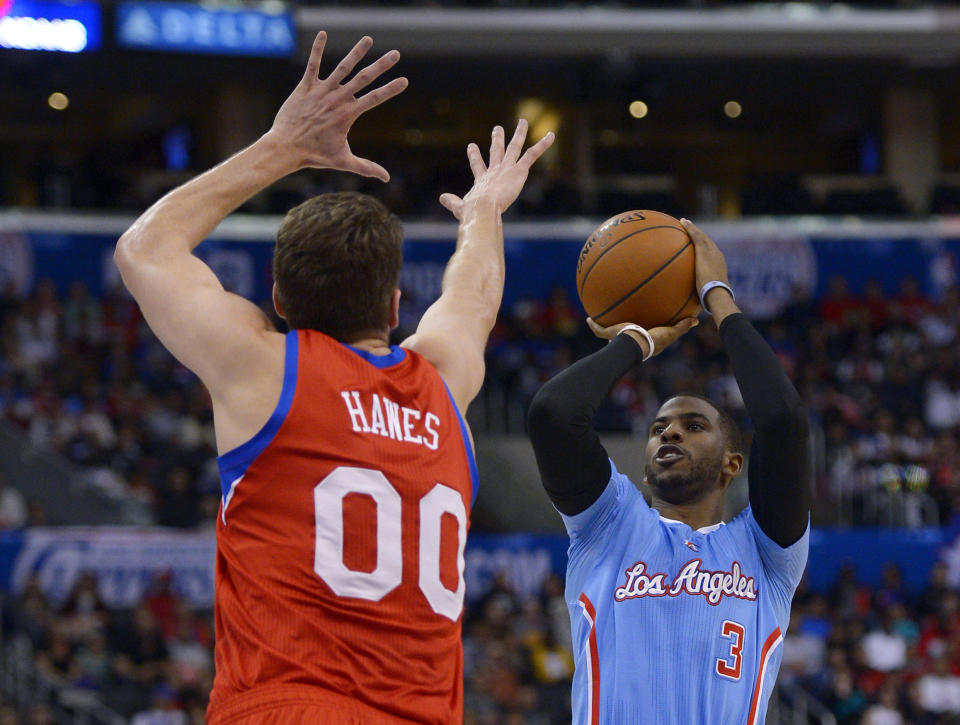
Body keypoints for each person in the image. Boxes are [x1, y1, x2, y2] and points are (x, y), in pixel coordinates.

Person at [114, 31, 554, 725]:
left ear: (279, 300)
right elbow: (474, 296)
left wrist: (284, 145)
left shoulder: (264, 367)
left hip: (289, 707)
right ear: (395, 305)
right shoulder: (443, 384)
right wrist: (483, 213)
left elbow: (145, 249)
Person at [527, 219, 810, 725]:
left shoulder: (766, 554)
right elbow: (553, 413)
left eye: (693, 425)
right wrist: (638, 340)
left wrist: (717, 296)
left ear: (732, 463)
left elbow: (783, 420)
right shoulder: (609, 525)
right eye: (659, 429)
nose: (669, 434)